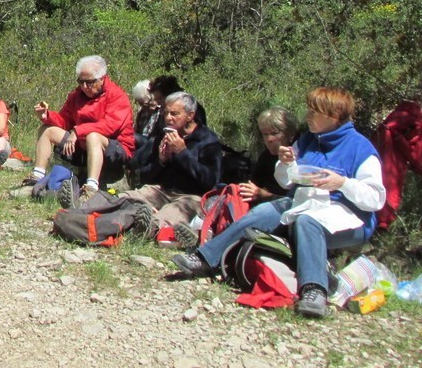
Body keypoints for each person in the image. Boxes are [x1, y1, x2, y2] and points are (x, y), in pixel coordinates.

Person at [171, 87, 385, 319]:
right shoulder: (308, 140)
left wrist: (342, 183)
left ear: (332, 116)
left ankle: (314, 290)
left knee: (306, 221)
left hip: (348, 219)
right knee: (264, 212)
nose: (308, 116)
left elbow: (375, 198)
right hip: (306, 203)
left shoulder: (361, 149)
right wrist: (286, 164)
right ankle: (205, 258)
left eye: (314, 112)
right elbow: (286, 182)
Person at [170, 106, 298, 249]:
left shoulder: (298, 159)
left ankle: (206, 237)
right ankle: (201, 231)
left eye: (274, 133)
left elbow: (294, 201)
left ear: (290, 135)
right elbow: (254, 185)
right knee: (224, 193)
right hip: (258, 203)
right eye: (265, 134)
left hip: (278, 214)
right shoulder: (266, 156)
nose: (269, 139)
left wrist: (263, 195)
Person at [15, 55, 134, 205]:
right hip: (82, 144)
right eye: (81, 81)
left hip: (114, 148)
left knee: (93, 136)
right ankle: (36, 179)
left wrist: (78, 131)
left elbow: (111, 126)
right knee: (47, 130)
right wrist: (47, 116)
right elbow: (65, 120)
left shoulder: (117, 96)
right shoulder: (76, 95)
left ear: (102, 78)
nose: (84, 87)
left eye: (89, 82)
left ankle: (91, 189)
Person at [117, 91, 222, 238]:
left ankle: (146, 228)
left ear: (190, 116)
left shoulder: (207, 141)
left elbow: (209, 182)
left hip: (190, 197)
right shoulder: (163, 135)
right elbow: (145, 177)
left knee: (170, 214)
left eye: (174, 114)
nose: (168, 118)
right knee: (122, 198)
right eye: (165, 113)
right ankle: (105, 214)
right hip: (161, 190)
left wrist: (183, 152)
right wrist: (161, 161)